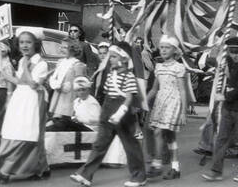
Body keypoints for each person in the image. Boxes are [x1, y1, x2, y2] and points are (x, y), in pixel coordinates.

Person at [70, 44, 147, 187]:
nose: (109, 59)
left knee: (130, 145)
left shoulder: (129, 76)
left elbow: (129, 98)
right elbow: (107, 93)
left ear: (124, 59)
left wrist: (120, 113)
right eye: (109, 56)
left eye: (113, 56)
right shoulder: (111, 74)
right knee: (100, 143)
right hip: (108, 109)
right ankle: (85, 174)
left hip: (122, 113)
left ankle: (139, 176)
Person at [0, 27, 50, 183]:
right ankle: (41, 168)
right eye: (22, 42)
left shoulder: (42, 64)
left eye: (28, 42)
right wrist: (6, 75)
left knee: (28, 134)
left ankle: (5, 170)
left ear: (36, 43)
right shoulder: (22, 60)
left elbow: (33, 84)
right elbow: (20, 82)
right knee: (14, 132)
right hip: (20, 98)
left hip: (34, 100)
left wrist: (27, 64)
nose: (24, 46)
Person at [202, 36, 238, 183]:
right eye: (232, 51)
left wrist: (223, 96)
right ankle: (216, 171)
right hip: (229, 108)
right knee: (221, 139)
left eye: (237, 52)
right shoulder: (229, 63)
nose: (235, 55)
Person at [146, 35, 187, 180]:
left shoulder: (179, 67)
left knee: (158, 132)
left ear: (175, 50)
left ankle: (157, 164)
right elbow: (154, 89)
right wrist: (144, 102)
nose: (163, 50)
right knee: (170, 136)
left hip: (173, 102)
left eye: (167, 47)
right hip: (160, 102)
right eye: (161, 47)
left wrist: (183, 112)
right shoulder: (159, 66)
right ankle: (175, 168)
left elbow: (182, 90)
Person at [46, 38, 86, 131]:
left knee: (62, 123)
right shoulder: (61, 63)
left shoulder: (77, 64)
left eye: (65, 47)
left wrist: (71, 86)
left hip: (69, 99)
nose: (61, 49)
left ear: (72, 49)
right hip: (58, 96)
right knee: (55, 120)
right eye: (61, 47)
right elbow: (54, 76)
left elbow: (80, 84)